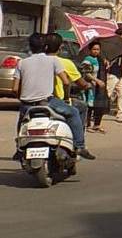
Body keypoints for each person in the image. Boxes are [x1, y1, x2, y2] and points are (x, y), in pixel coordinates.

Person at [12, 32, 95, 160]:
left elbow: (14, 88)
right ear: (45, 47)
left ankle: (19, 148)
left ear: (30, 46)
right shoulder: (53, 60)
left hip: (26, 105)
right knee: (73, 112)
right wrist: (66, 97)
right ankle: (79, 146)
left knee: (22, 122)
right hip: (47, 102)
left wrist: (23, 98)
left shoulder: (21, 63)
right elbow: (66, 82)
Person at [84, 41, 109, 133]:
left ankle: (97, 124)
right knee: (89, 105)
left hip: (99, 87)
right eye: (94, 49)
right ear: (90, 50)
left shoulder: (100, 59)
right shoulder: (88, 59)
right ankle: (87, 125)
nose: (96, 51)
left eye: (98, 49)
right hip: (91, 85)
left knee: (99, 105)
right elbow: (86, 73)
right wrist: (96, 80)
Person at [107, 37, 122, 123]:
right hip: (113, 73)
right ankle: (96, 111)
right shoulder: (114, 47)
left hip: (120, 75)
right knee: (108, 92)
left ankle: (121, 115)